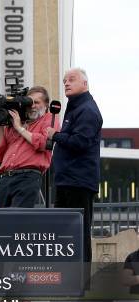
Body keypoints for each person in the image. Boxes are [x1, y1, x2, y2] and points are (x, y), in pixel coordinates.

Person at [47, 68, 102, 263]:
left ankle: (82, 281)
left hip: (78, 181)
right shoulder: (75, 107)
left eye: (71, 80)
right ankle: (67, 279)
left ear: (85, 84)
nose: (66, 83)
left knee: (78, 232)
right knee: (63, 233)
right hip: (66, 180)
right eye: (64, 81)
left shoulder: (87, 110)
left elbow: (81, 142)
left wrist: (55, 135)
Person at [0, 86, 57, 208]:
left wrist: (19, 128)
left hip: (28, 176)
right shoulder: (17, 120)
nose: (32, 106)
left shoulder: (49, 119)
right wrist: (0, 125)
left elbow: (45, 144)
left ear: (46, 105)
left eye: (37, 102)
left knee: (19, 219)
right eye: (29, 102)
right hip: (6, 176)